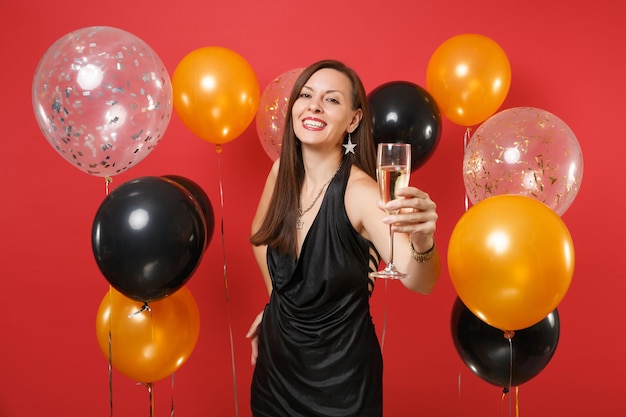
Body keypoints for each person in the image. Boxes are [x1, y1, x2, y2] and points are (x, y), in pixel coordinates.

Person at [246, 59, 441, 417]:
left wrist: (424, 242)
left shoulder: (361, 193)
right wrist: (278, 305)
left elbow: (420, 282)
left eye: (332, 99)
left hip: (340, 383)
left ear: (353, 120)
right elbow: (260, 238)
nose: (315, 106)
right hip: (275, 374)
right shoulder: (281, 172)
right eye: (306, 95)